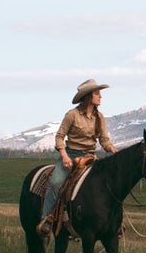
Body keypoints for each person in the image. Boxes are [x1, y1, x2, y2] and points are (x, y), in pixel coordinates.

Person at [38, 79, 117, 236]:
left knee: (109, 184)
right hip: (71, 155)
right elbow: (59, 137)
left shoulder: (100, 117)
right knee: (55, 183)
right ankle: (47, 218)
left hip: (90, 157)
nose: (100, 96)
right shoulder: (72, 115)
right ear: (88, 97)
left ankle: (113, 223)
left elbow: (104, 140)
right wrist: (64, 156)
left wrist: (113, 150)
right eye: (97, 93)